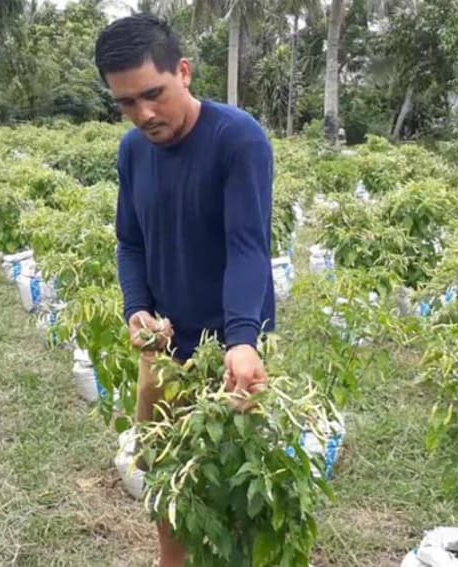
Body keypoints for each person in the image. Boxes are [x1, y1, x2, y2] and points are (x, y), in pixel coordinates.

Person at [94, 14, 275, 567]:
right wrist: (137, 309)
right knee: (170, 477)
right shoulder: (132, 151)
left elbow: (248, 246)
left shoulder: (236, 138)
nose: (144, 114)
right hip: (167, 351)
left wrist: (243, 339)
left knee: (237, 483)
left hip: (234, 350)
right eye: (126, 103)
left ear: (185, 72)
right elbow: (131, 243)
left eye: (154, 94)